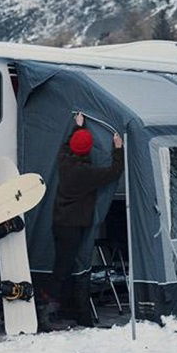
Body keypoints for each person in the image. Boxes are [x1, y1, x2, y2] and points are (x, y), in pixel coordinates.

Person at [43, 112, 124, 329]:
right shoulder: (86, 173)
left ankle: (60, 306)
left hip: (60, 222)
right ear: (88, 150)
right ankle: (49, 309)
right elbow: (114, 172)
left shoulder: (64, 162)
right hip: (73, 226)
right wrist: (118, 149)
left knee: (64, 264)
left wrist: (77, 128)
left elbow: (70, 146)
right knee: (64, 266)